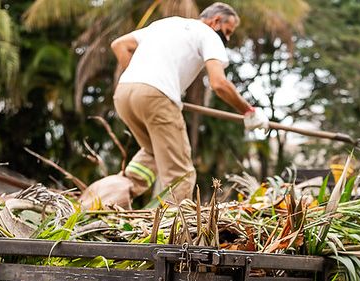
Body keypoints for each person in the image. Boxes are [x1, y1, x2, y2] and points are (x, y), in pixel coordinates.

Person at [81, 2, 268, 208]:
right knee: (181, 174)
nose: (228, 38)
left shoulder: (166, 24)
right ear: (215, 21)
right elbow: (219, 83)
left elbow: (119, 44)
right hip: (156, 97)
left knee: (152, 153)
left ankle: (97, 203)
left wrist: (141, 79)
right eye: (227, 31)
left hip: (125, 93)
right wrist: (249, 112)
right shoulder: (208, 34)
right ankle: (170, 232)